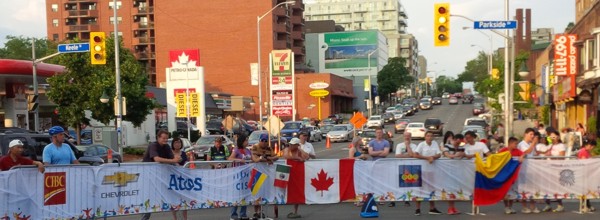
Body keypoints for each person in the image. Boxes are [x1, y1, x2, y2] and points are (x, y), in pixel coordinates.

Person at [141, 129, 181, 220]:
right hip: (148, 177)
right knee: (148, 199)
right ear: (158, 137)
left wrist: (178, 160)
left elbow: (173, 158)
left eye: (167, 138)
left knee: (172, 195)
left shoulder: (166, 147)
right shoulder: (153, 145)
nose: (165, 140)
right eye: (163, 138)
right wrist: (173, 160)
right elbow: (157, 159)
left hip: (160, 176)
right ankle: (144, 218)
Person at [412, 131, 442, 215]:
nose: (429, 137)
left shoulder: (435, 143)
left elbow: (439, 154)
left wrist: (433, 157)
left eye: (431, 136)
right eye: (428, 136)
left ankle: (432, 208)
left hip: (432, 171)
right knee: (420, 189)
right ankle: (418, 209)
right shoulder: (421, 144)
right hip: (422, 171)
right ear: (425, 137)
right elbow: (415, 155)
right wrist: (426, 158)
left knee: (431, 189)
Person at [250, 133, 278, 219]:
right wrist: (264, 159)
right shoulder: (255, 147)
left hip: (267, 174)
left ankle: (262, 211)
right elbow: (254, 158)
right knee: (257, 192)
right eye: (263, 140)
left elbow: (276, 156)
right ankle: (256, 212)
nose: (264, 142)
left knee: (265, 192)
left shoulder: (269, 148)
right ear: (260, 141)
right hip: (257, 172)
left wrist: (271, 158)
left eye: (266, 141)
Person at [282, 138, 309, 219]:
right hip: (286, 172)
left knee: (296, 190)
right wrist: (297, 158)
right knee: (282, 188)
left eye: (293, 144)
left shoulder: (299, 150)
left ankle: (295, 211)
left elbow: (306, 157)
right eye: (291, 144)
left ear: (297, 145)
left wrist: (300, 149)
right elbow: (286, 156)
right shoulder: (287, 149)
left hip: (296, 173)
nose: (291, 145)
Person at [498, 137, 526, 214]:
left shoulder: (517, 151)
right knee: (505, 191)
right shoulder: (503, 150)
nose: (516, 145)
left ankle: (510, 207)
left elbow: (523, 153)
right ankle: (506, 207)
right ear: (510, 143)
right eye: (515, 144)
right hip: (505, 175)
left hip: (514, 175)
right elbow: (497, 158)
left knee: (513, 192)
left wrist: (522, 156)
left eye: (517, 144)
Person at [541, 130, 566, 212]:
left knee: (556, 187)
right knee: (547, 187)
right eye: (550, 137)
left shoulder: (561, 146)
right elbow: (544, 153)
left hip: (556, 169)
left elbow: (562, 157)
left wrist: (552, 156)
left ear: (558, 137)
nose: (552, 138)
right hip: (548, 168)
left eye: (553, 137)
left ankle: (560, 205)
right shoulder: (550, 145)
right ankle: (548, 204)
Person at [228, 135, 252, 220]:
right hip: (238, 176)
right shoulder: (237, 150)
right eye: (246, 140)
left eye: (247, 140)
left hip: (246, 176)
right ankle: (233, 213)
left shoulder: (248, 150)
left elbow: (252, 159)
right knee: (237, 194)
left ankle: (243, 213)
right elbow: (230, 158)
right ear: (242, 141)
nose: (247, 142)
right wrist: (239, 160)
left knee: (245, 195)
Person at [391, 132, 417, 208]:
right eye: (405, 136)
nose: (407, 137)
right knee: (398, 183)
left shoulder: (414, 146)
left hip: (410, 167)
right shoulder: (399, 145)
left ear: (411, 137)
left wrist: (408, 146)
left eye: (408, 136)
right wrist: (407, 155)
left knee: (407, 183)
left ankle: (407, 199)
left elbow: (413, 155)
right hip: (400, 166)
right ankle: (394, 200)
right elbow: (397, 155)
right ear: (403, 136)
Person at [169, 137, 189, 220]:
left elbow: (187, 164)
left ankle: (185, 218)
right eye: (176, 142)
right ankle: (175, 218)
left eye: (179, 142)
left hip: (182, 179)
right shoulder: (169, 153)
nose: (177, 144)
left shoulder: (183, 153)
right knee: (173, 199)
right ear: (173, 144)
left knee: (184, 199)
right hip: (172, 178)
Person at [578, 140, 596, 212]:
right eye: (592, 147)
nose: (592, 148)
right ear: (589, 145)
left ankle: (587, 205)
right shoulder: (583, 151)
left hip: (587, 173)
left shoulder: (587, 151)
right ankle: (583, 205)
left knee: (587, 190)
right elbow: (583, 162)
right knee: (584, 190)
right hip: (583, 173)